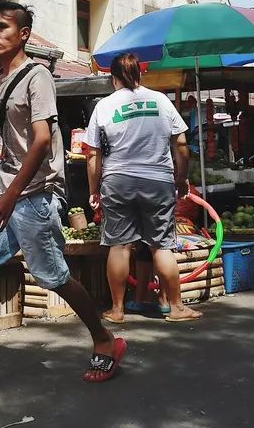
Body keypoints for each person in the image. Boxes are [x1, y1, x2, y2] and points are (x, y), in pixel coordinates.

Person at [0, 2, 123, 398]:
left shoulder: (38, 77)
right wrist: (1, 187)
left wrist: (10, 196)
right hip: (3, 189)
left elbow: (43, 141)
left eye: (2, 28)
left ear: (24, 34)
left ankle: (104, 340)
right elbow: (4, 141)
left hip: (33, 194)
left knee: (54, 277)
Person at [84, 53, 202, 324]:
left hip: (117, 181)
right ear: (140, 74)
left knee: (120, 245)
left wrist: (93, 189)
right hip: (158, 180)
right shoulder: (161, 100)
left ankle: (117, 310)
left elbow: (93, 154)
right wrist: (181, 178)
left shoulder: (104, 106)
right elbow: (181, 145)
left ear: (113, 78)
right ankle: (175, 308)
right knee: (161, 246)